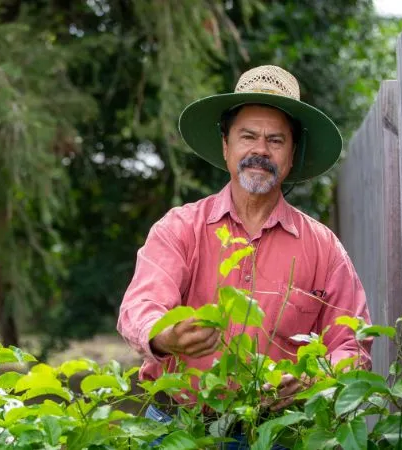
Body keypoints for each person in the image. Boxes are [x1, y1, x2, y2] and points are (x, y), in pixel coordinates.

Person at [116, 65, 372, 448]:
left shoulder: (324, 248)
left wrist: (314, 378)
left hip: (278, 434)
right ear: (226, 145)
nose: (260, 150)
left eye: (275, 140)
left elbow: (352, 345)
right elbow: (141, 305)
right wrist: (165, 335)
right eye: (247, 136)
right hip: (177, 429)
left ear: (291, 153)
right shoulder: (180, 228)